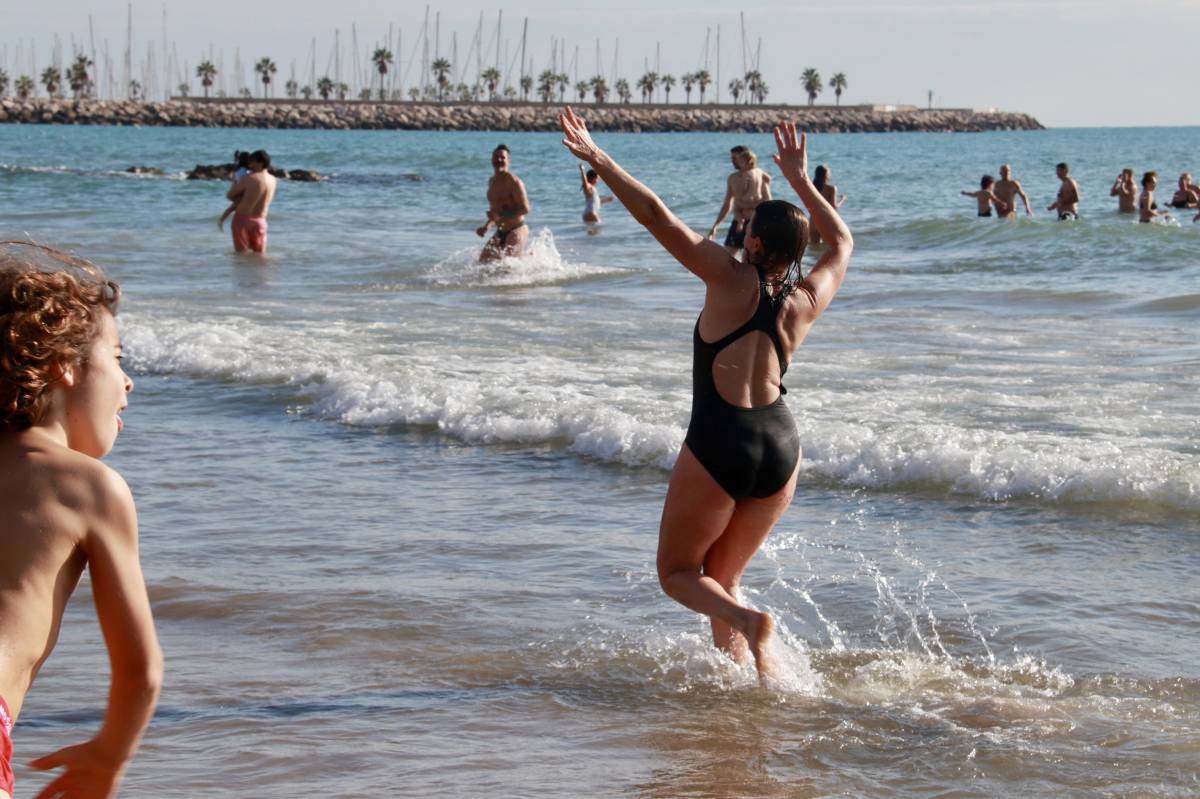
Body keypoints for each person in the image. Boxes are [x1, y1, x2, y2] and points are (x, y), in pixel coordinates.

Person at [559, 108, 852, 678]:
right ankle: (749, 685)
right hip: (782, 447)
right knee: (722, 579)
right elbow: (840, 240)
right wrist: (796, 179)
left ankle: (751, 625)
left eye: (748, 234)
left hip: (723, 439)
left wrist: (600, 159)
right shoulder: (807, 300)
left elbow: (655, 215)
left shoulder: (728, 277)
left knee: (677, 574)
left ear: (758, 242)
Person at [0, 242, 162, 799]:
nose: (128, 382)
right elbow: (141, 672)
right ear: (62, 365)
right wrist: (107, 757)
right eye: (116, 360)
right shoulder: (89, 487)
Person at [707, 145, 772, 257]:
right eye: (732, 158)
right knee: (727, 258)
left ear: (746, 159)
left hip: (756, 222)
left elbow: (768, 201)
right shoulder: (732, 178)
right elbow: (727, 204)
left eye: (735, 158)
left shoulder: (759, 174)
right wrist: (715, 226)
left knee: (751, 259)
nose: (732, 161)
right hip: (738, 222)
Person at [476, 144, 531, 262]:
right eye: (496, 157)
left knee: (508, 266)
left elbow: (525, 209)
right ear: (491, 159)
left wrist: (500, 216)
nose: (499, 160)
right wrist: (486, 227)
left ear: (509, 161)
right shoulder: (492, 182)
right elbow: (496, 212)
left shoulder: (514, 182)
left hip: (517, 229)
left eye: (502, 157)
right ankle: (527, 256)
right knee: (482, 264)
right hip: (500, 231)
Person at [225, 150, 276, 255]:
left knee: (241, 256)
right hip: (260, 221)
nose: (249, 165)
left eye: (252, 162)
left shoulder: (248, 178)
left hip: (242, 220)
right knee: (260, 256)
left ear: (261, 163)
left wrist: (235, 184)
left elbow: (230, 195)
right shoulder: (273, 180)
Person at [810, 165, 847, 243]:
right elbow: (834, 206)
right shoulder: (831, 188)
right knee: (828, 248)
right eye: (829, 173)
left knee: (814, 249)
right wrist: (842, 200)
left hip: (813, 221)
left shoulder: (812, 187)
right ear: (826, 175)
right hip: (825, 221)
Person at [218, 151, 254, 231]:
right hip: (241, 192)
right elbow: (244, 183)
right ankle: (221, 220)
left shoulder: (239, 170)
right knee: (235, 207)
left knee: (234, 207)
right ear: (247, 160)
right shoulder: (245, 172)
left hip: (235, 191)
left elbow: (235, 181)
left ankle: (222, 220)